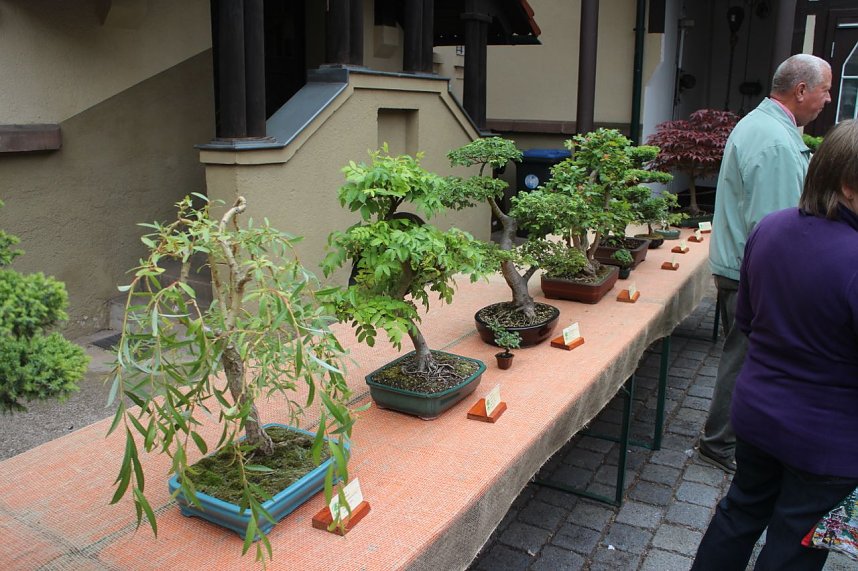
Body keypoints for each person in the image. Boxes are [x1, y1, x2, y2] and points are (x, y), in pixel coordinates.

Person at [691, 119, 858, 570]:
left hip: (759, 412)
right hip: (825, 437)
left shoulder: (770, 228)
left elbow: (747, 320)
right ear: (847, 185)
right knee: (795, 543)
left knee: (739, 512)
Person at [698, 53, 832, 473]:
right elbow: (777, 228)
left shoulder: (765, 126)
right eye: (826, 90)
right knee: (745, 356)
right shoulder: (774, 140)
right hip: (754, 271)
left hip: (744, 266)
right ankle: (720, 442)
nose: (828, 100)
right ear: (801, 90)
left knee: (742, 353)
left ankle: (724, 438)